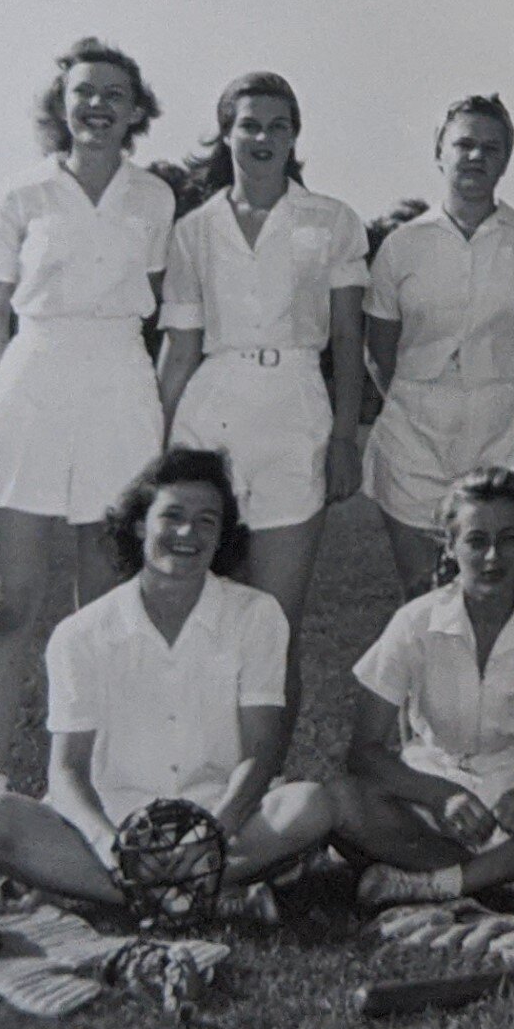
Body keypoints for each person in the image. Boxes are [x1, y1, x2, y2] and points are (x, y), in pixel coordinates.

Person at [0, 37, 177, 845]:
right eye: (84, 92)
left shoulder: (155, 198)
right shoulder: (23, 192)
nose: (98, 106)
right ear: (62, 105)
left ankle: (95, 790)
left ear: (135, 108)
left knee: (106, 608)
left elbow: (162, 307)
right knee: (9, 602)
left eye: (114, 93)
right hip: (31, 381)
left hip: (119, 384)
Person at [0, 448, 333, 918]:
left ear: (221, 538)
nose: (186, 534)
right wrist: (110, 845)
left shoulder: (257, 616)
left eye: (205, 522)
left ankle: (124, 892)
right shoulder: (81, 632)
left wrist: (213, 835)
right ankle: (208, 896)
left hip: (217, 817)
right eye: (171, 516)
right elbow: (68, 770)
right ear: (139, 525)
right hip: (110, 819)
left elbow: (261, 751)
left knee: (312, 805)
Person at [156, 72, 368, 758]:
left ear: (294, 136)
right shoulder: (192, 230)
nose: (263, 138)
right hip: (210, 413)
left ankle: (262, 797)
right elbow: (180, 348)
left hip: (295, 411)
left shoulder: (332, 220)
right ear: (227, 133)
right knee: (200, 614)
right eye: (249, 124)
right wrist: (157, 451)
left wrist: (343, 436)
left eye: (278, 126)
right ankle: (189, 782)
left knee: (274, 625)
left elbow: (348, 339)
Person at [329, 467, 514, 906]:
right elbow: (363, 753)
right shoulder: (415, 621)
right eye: (476, 540)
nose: (493, 557)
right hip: (433, 791)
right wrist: (441, 797)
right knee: (340, 799)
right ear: (450, 545)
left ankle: (445, 880)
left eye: (509, 539)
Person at [362, 95, 514, 600]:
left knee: (505, 592)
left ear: (506, 160)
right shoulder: (401, 245)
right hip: (417, 433)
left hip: (512, 428)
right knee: (423, 594)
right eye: (464, 144)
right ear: (439, 153)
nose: (476, 157)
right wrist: (424, 395)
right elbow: (378, 352)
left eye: (491, 148)